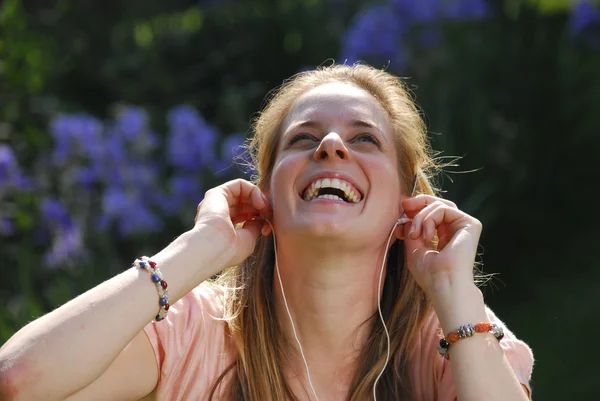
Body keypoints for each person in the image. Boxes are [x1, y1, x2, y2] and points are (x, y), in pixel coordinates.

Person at [0, 64, 533, 401]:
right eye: (303, 139)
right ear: (268, 196)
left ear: (406, 202)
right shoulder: (195, 333)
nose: (329, 145)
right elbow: (19, 381)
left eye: (364, 138)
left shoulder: (453, 337)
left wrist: (454, 294)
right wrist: (197, 250)